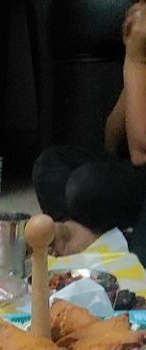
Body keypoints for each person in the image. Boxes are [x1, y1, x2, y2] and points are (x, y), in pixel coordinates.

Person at [33, 1, 146, 257]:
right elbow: (112, 135)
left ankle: (95, 235)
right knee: (49, 165)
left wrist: (136, 58)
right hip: (135, 178)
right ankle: (81, 232)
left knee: (84, 185)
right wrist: (136, 63)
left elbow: (140, 151)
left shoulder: (140, 59)